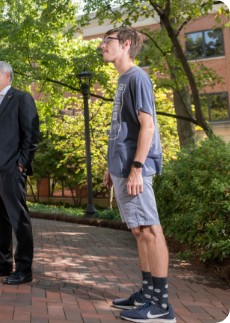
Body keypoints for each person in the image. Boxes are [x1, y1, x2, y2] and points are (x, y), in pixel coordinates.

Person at [100, 26, 175, 323]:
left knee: (149, 229)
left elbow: (148, 126)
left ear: (126, 44)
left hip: (136, 169)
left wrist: (137, 168)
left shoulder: (138, 77)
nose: (103, 46)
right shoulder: (123, 80)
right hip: (122, 167)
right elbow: (123, 128)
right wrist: (112, 166)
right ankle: (146, 293)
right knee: (138, 230)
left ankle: (161, 305)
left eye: (108, 41)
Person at [0, 61, 40, 285]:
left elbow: (31, 135)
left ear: (7, 75)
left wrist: (21, 164)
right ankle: (3, 262)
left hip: (12, 169)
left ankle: (24, 268)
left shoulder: (21, 99)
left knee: (18, 218)